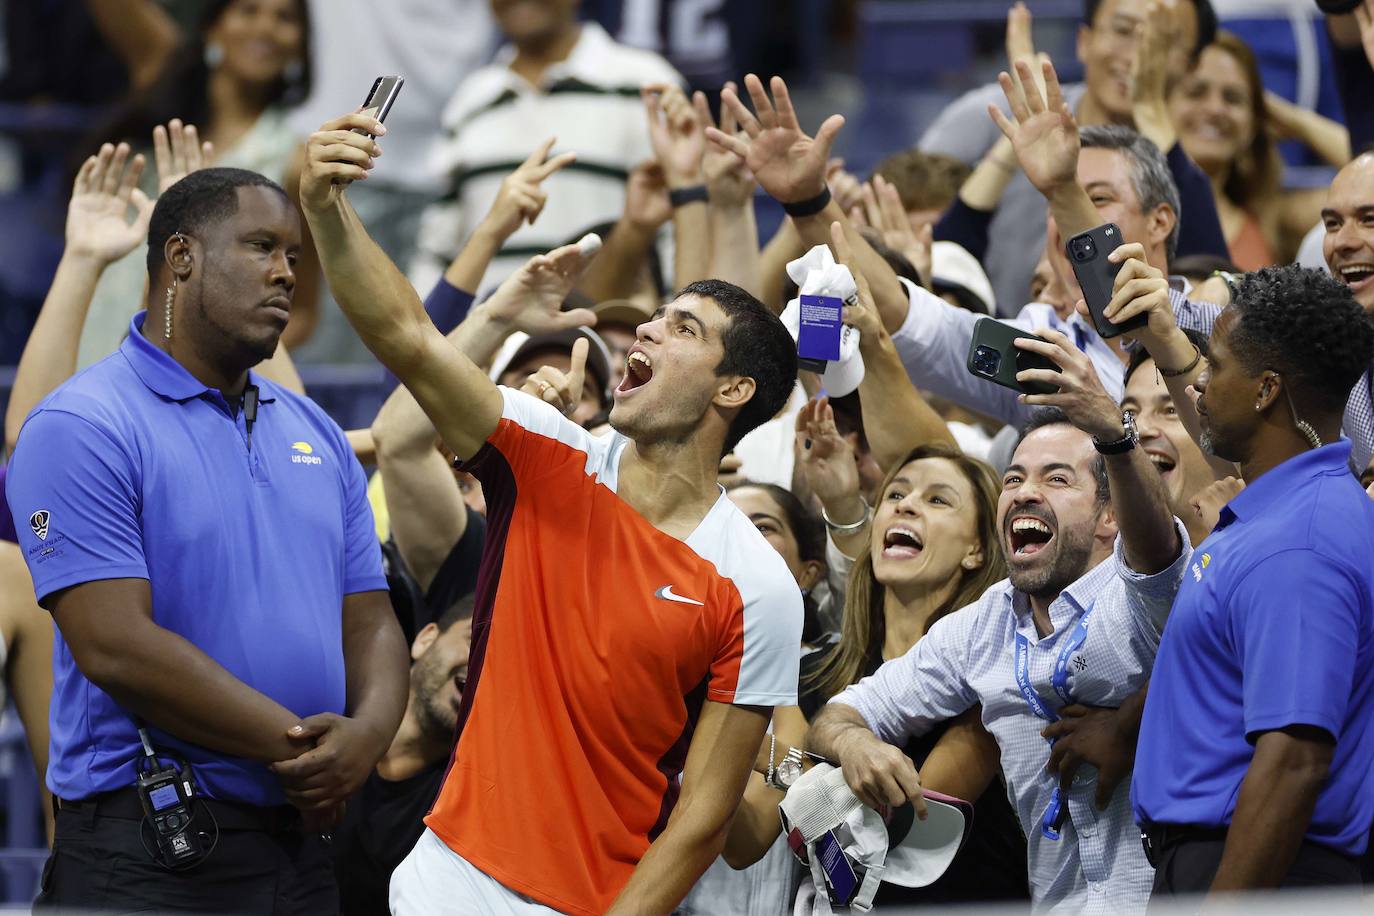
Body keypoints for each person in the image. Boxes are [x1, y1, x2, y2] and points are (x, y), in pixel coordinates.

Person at [300, 110, 802, 915]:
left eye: (683, 329)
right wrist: (325, 209)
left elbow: (707, 817)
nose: (647, 328)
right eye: (656, 315)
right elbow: (408, 337)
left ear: (732, 390)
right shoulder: (543, 450)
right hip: (444, 881)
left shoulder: (759, 586)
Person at [4, 166, 408, 912]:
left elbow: (370, 617)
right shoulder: (82, 424)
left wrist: (369, 736)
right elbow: (116, 646)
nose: (287, 272)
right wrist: (307, 753)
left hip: (303, 849)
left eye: (293, 254)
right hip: (150, 854)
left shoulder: (313, 430)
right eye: (261, 246)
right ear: (182, 256)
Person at [805, 306, 1191, 912]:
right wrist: (858, 746)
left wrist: (1113, 432)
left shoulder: (1139, 590)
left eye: (1058, 480)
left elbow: (1160, 550)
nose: (1027, 492)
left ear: (1108, 517)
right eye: (1013, 480)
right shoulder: (980, 626)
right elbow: (840, 713)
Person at [1134, 265, 1374, 894]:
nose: (1201, 386)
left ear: (1266, 389)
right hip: (1227, 861)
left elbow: (1295, 758)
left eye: (1214, 367)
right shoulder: (1282, 511)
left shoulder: (1301, 541)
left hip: (1260, 870)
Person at [918, 0, 1217, 309]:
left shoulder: (1195, 164)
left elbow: (1212, 288)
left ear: (1192, 66)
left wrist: (1151, 112)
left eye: (1162, 41)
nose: (1136, 56)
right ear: (1084, 41)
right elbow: (913, 240)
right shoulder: (990, 115)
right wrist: (1022, 132)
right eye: (1123, 30)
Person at [76, 0, 317, 363]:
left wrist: (222, 355)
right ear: (212, 27)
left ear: (301, 44)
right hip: (95, 331)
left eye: (284, 18)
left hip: (192, 376)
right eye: (248, 10)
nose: (265, 28)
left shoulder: (296, 164)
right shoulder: (163, 83)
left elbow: (302, 311)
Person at [410, 0, 681, 297]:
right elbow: (437, 248)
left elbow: (678, 231)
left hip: (606, 335)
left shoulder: (644, 82)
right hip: (482, 337)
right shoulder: (471, 100)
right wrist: (427, 335)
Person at [331, 596, 475, 916]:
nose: (482, 667)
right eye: (475, 640)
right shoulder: (327, 702)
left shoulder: (457, 813)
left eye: (500, 668)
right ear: (425, 639)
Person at [1166, 31, 1350, 269]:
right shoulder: (1133, 204)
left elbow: (1367, 184)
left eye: (1233, 98)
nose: (1215, 109)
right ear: (1161, 107)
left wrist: (1295, 119)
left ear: (1253, 123)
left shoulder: (1272, 217)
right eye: (1196, 92)